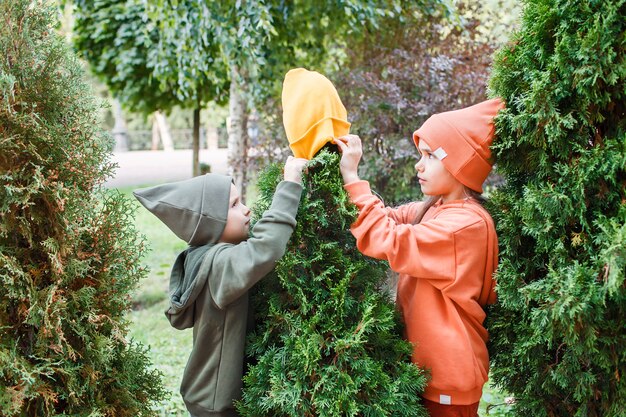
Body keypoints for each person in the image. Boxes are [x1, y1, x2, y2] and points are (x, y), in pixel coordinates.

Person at [334, 98, 505, 417]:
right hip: (429, 371)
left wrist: (352, 176)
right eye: (420, 155)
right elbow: (386, 218)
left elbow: (384, 238)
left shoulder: (463, 225)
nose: (419, 165)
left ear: (460, 165)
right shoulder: (435, 209)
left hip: (447, 378)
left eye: (430, 155)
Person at [133, 155, 307, 417]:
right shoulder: (219, 265)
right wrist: (291, 183)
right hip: (218, 403)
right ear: (210, 223)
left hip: (210, 396)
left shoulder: (204, 256)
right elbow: (265, 249)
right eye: (234, 205)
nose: (246, 209)